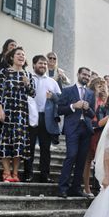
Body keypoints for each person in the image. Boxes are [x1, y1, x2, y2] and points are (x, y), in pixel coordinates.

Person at [0, 47, 36, 182]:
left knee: (19, 142)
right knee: (5, 141)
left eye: (23, 54)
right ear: (12, 57)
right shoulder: (4, 73)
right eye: (18, 54)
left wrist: (27, 84)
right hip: (7, 110)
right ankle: (6, 172)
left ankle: (15, 173)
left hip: (22, 113)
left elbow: (33, 93)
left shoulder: (28, 75)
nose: (21, 56)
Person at [57, 67, 96, 198]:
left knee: (81, 160)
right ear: (78, 74)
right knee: (71, 155)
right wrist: (74, 106)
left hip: (86, 129)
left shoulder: (91, 93)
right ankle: (62, 188)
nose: (86, 77)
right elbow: (59, 109)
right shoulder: (68, 91)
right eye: (84, 74)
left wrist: (87, 108)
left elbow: (92, 114)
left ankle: (76, 188)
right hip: (72, 128)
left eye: (88, 75)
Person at [23, 55, 61, 183]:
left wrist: (53, 97)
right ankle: (28, 174)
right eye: (40, 63)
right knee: (30, 146)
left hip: (46, 117)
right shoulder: (28, 78)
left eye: (45, 64)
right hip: (30, 116)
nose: (43, 66)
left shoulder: (52, 82)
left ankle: (45, 175)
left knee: (46, 148)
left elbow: (60, 99)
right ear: (34, 65)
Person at [82, 77, 108, 195]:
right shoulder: (90, 97)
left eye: (103, 85)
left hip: (103, 132)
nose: (102, 87)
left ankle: (100, 187)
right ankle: (86, 187)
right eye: (99, 84)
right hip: (91, 130)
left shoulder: (106, 101)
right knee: (88, 159)